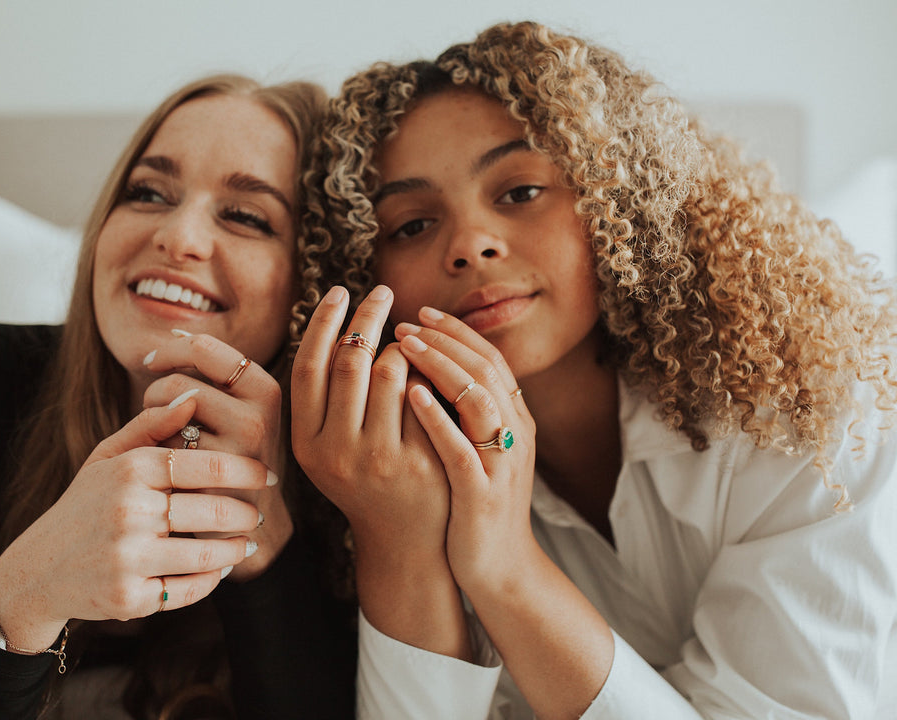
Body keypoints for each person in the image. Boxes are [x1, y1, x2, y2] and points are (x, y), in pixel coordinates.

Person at [292, 21, 897, 720]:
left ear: (617, 201)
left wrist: (509, 570)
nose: (470, 245)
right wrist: (396, 539)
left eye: (519, 193)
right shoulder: (389, 481)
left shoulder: (805, 406)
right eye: (411, 225)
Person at [0, 74, 356, 719]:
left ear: (315, 280)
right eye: (147, 193)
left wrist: (262, 548)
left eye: (246, 216)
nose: (177, 237)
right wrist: (25, 598)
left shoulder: (348, 475)